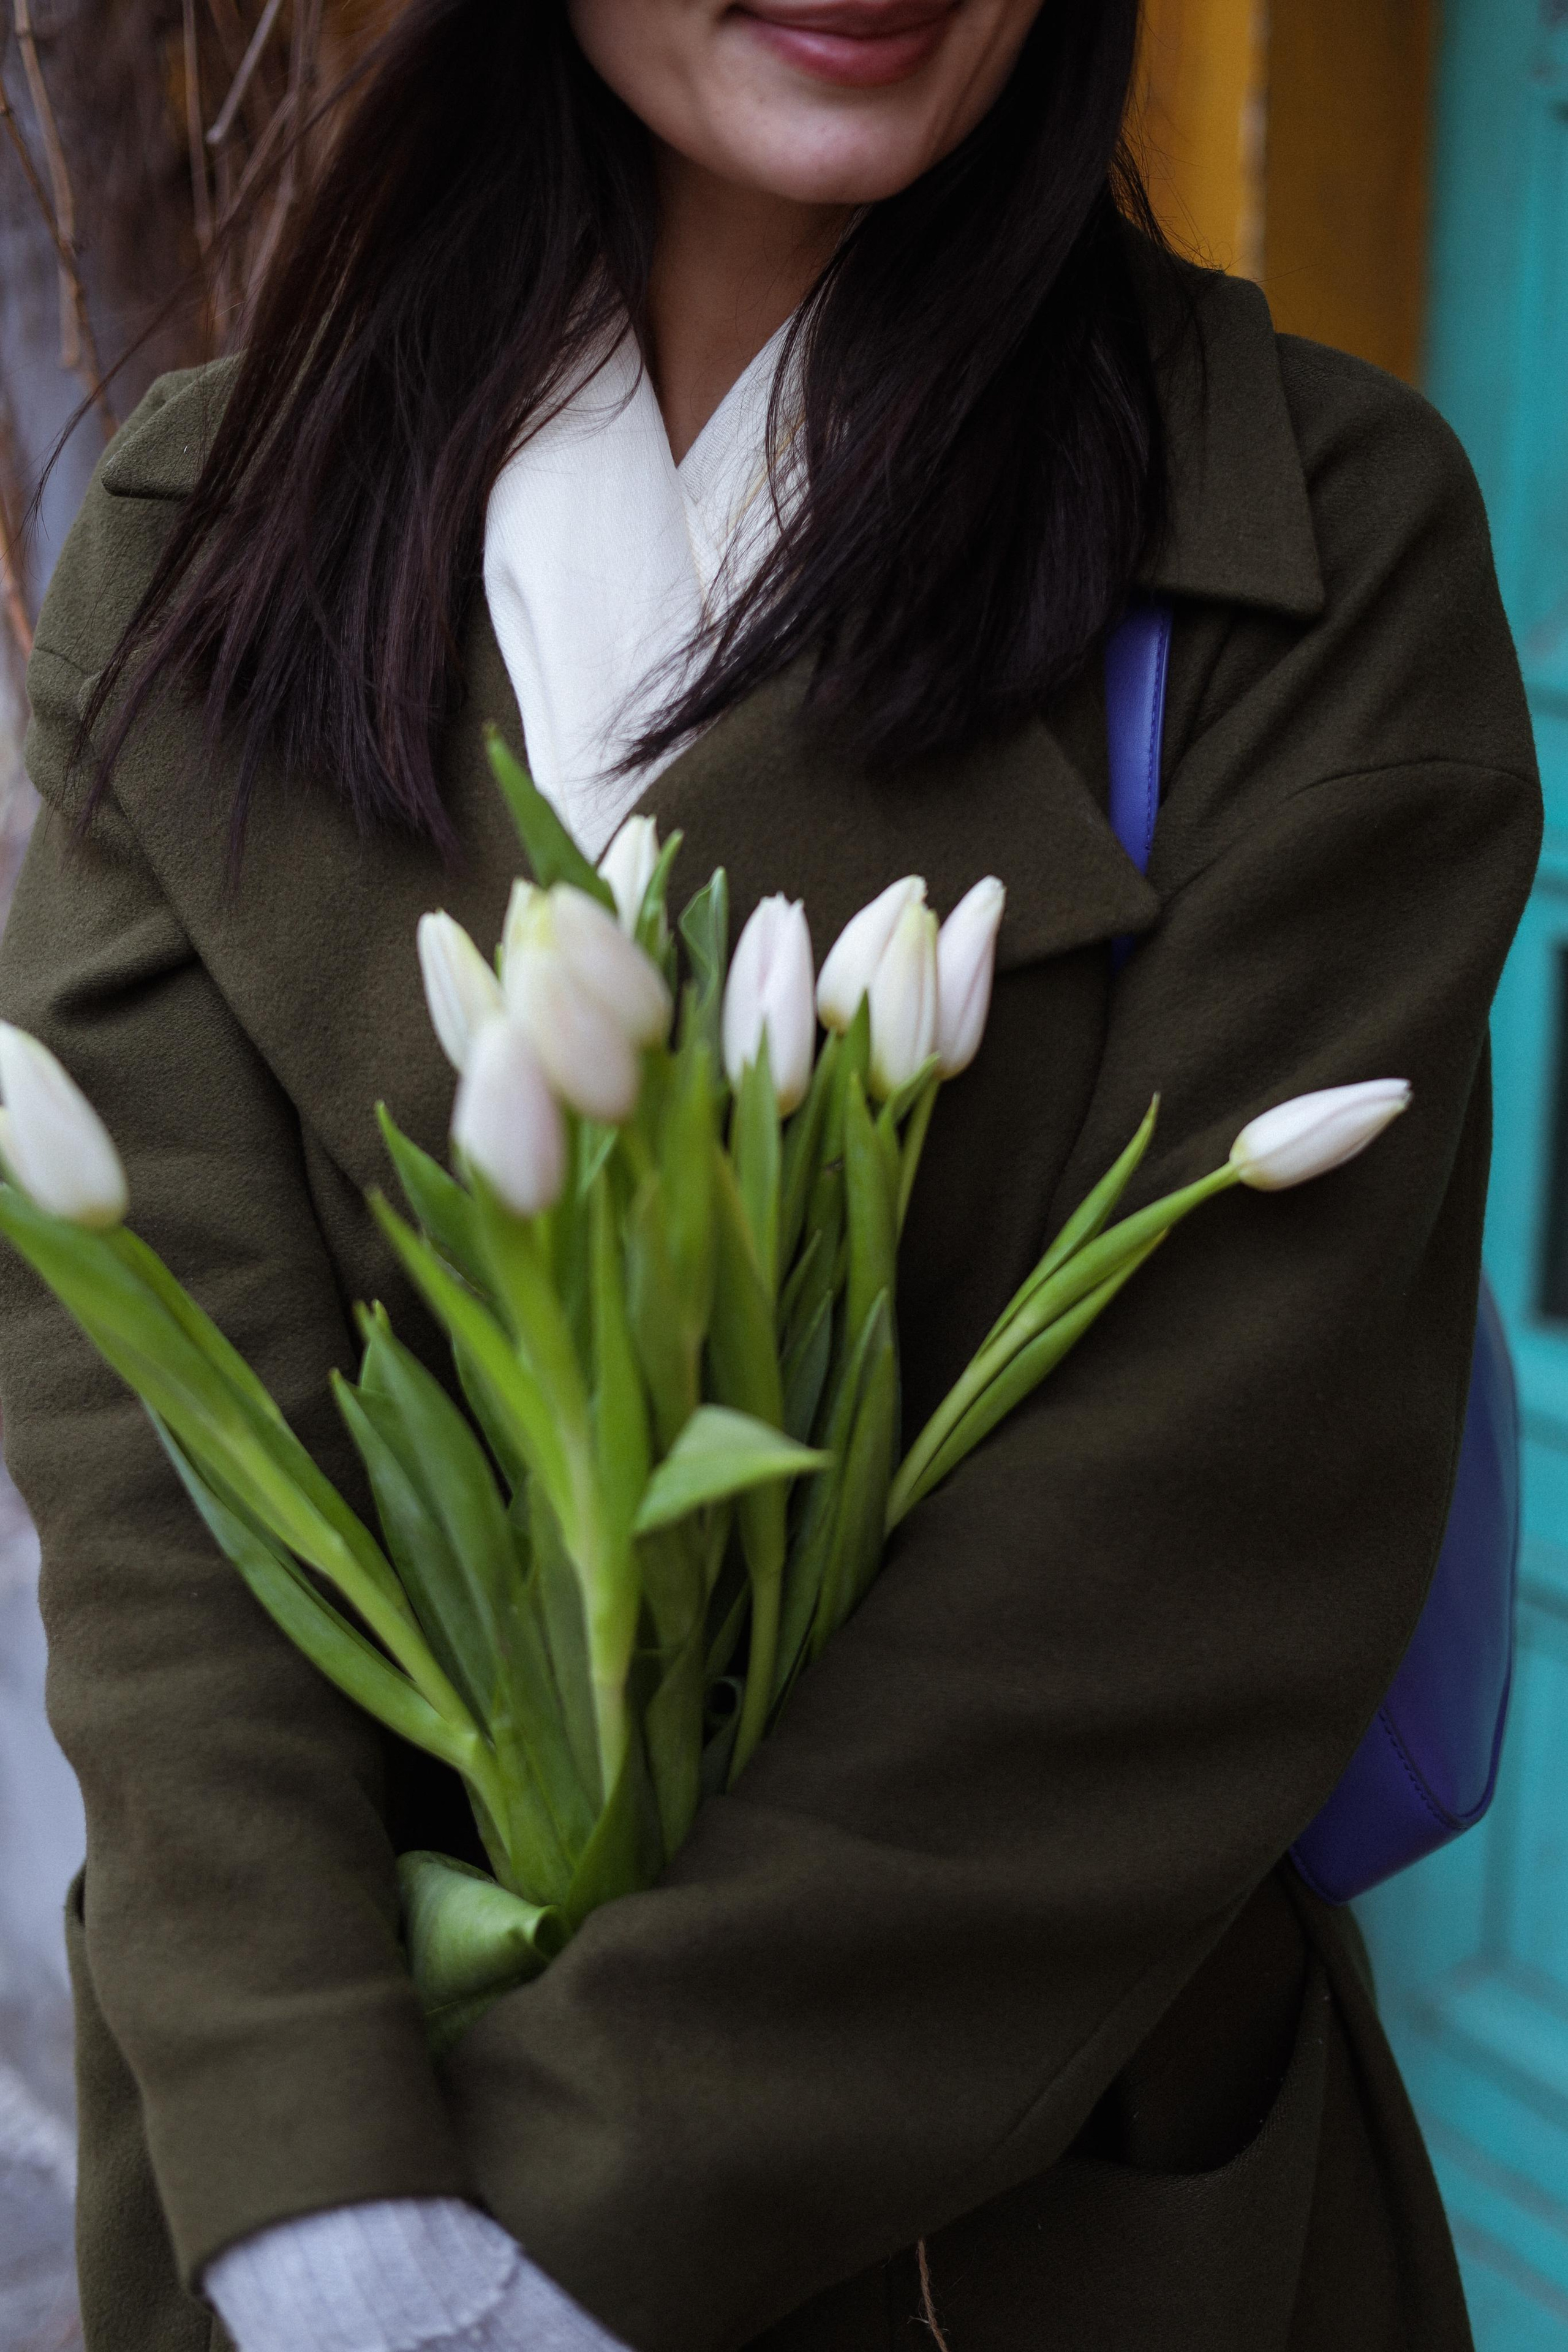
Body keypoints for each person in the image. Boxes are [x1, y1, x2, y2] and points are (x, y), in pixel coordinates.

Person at [0, 2, 1542, 2348]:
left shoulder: (1307, 557)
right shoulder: (206, 546)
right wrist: (325, 2208)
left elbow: (1191, 1557)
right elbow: (159, 1495)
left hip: (1013, 2233)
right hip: (315, 2197)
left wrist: (545, 2248)